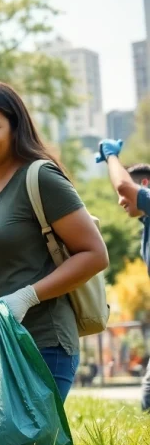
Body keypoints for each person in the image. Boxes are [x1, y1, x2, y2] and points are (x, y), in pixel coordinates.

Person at [0, 81, 108, 400]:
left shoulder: (40, 178)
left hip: (39, 345)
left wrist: (27, 296)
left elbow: (94, 253)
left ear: (14, 129)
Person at [96, 139, 150, 411]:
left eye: (125, 196)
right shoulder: (146, 226)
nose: (120, 201)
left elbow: (123, 187)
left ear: (144, 186)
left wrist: (111, 156)